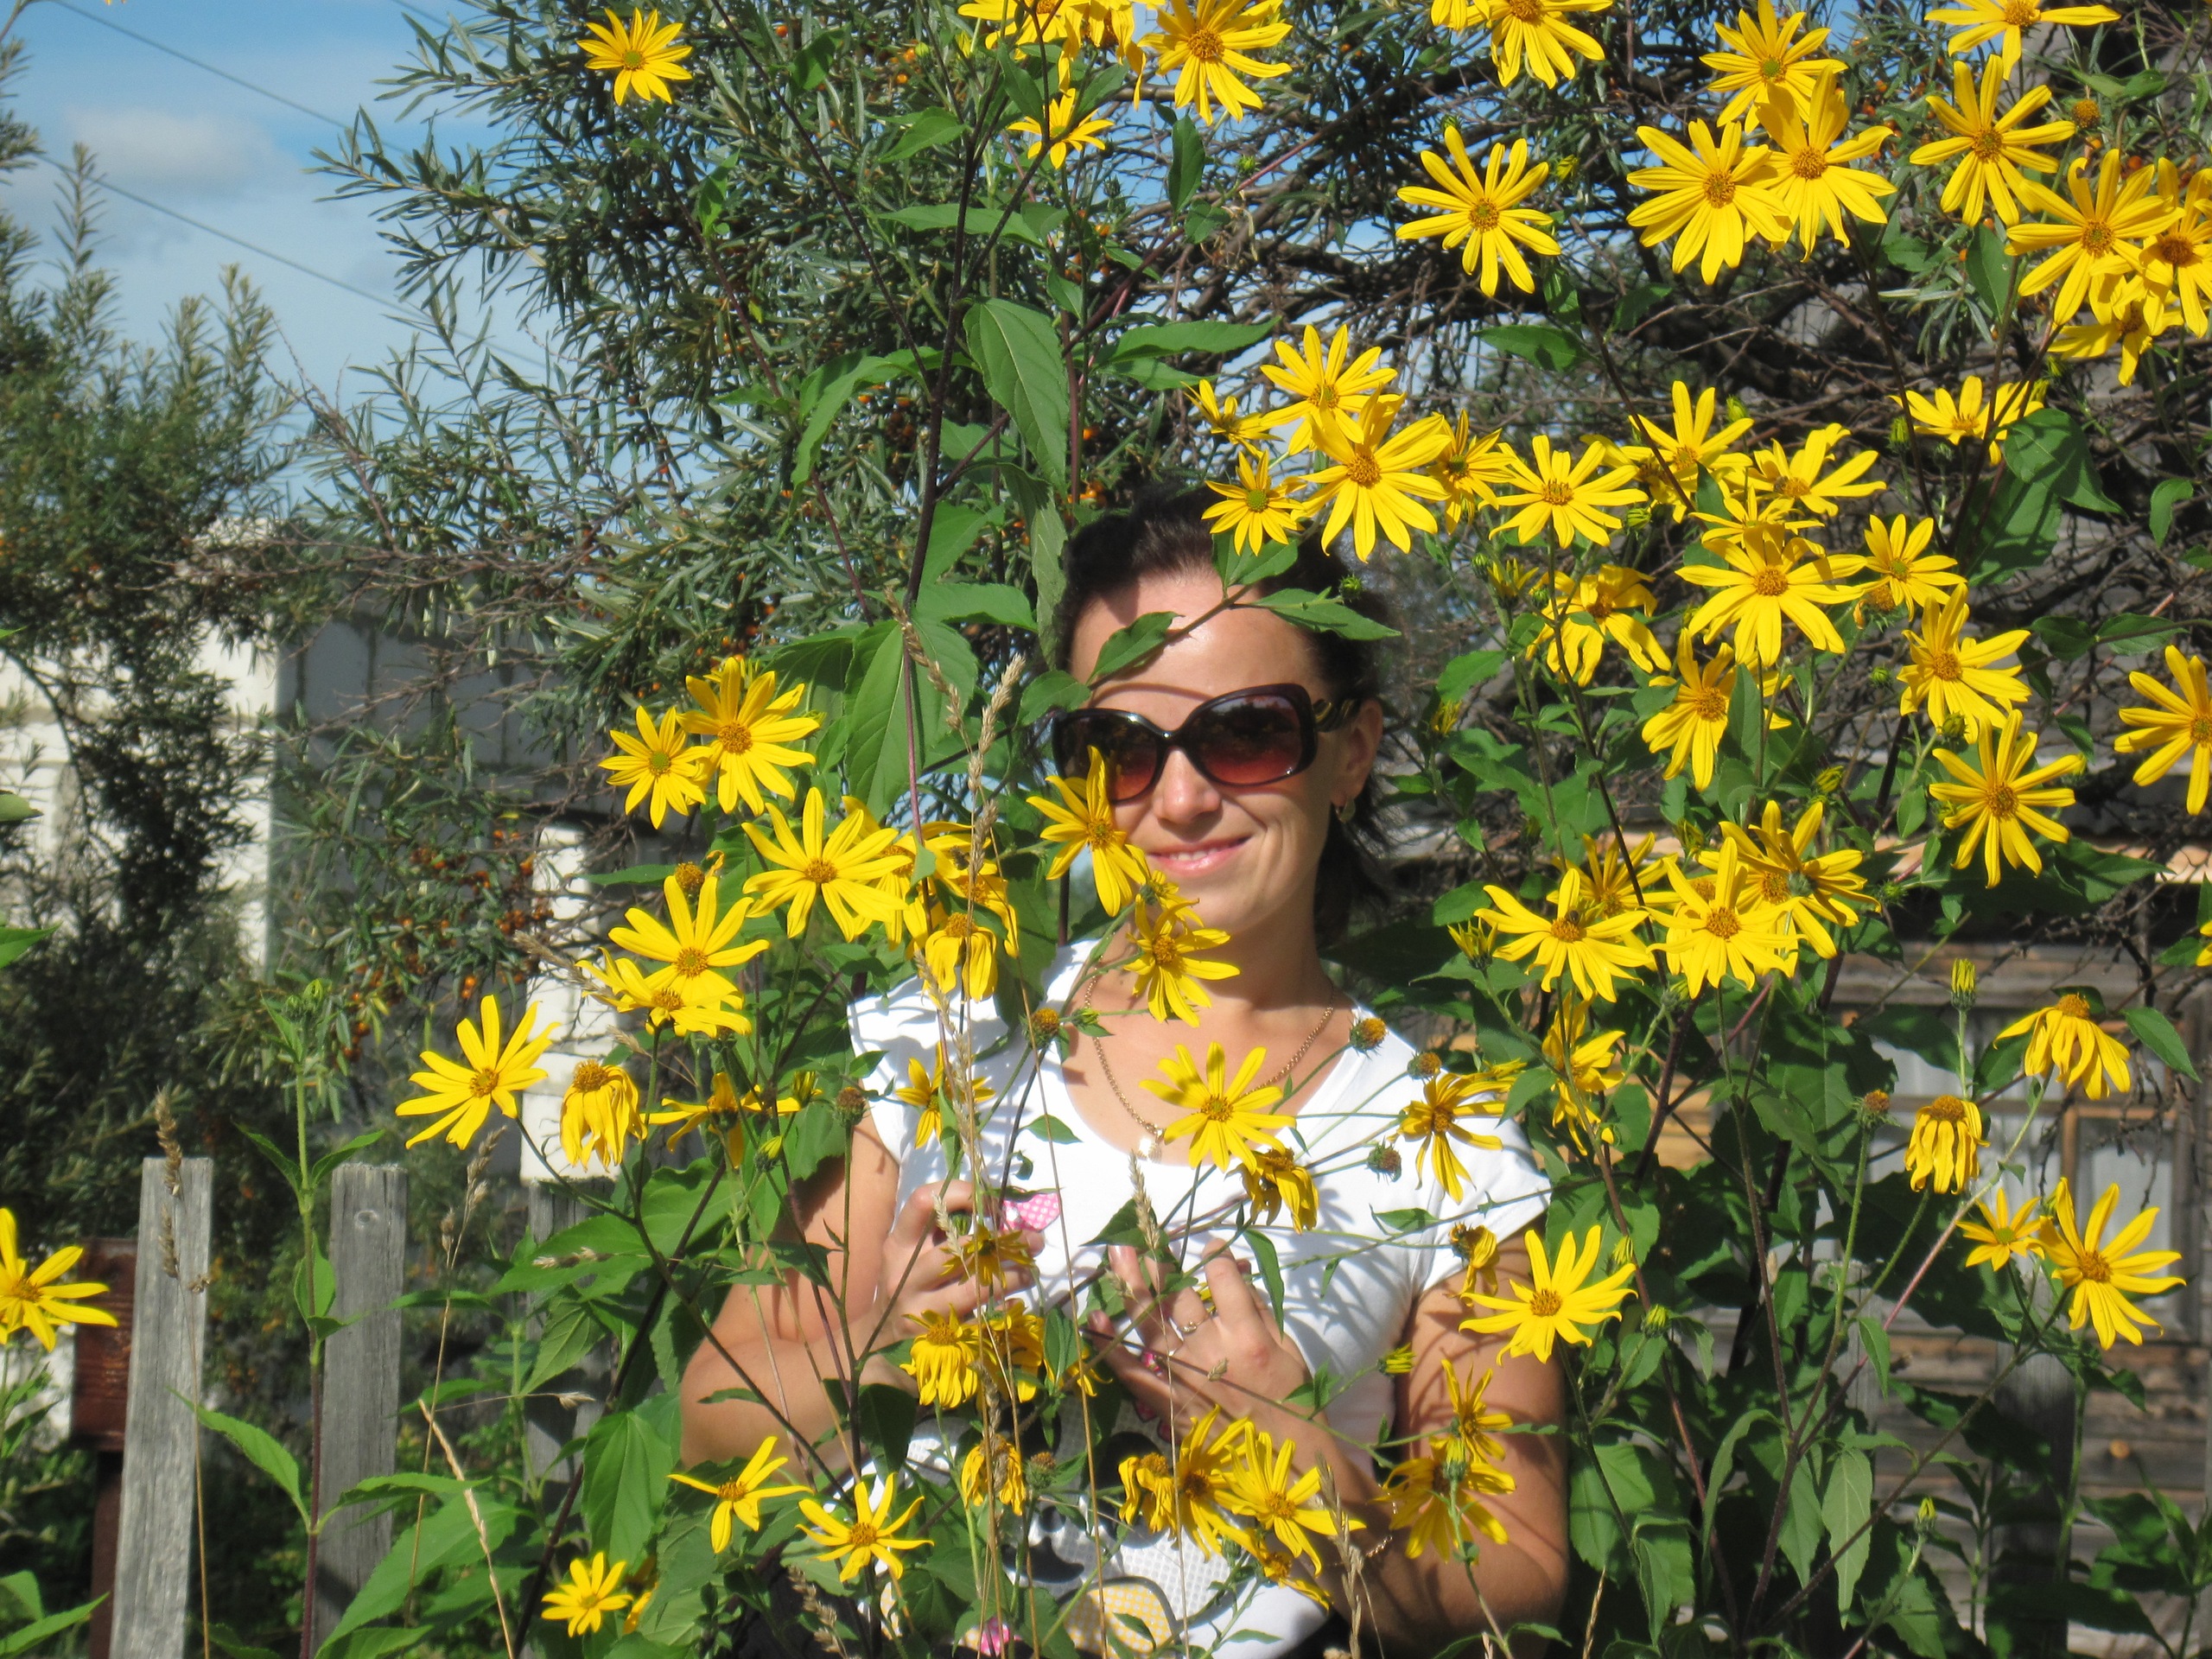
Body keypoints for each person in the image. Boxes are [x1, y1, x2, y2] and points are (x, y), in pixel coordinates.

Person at [681, 489, 1568, 1656]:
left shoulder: (1444, 1143)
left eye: (1246, 734)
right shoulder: (949, 1034)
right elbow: (710, 1424)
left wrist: (1295, 1460)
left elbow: (1521, 1571)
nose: (1183, 799)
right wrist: (886, 1356)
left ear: (1350, 751)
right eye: (1121, 752)